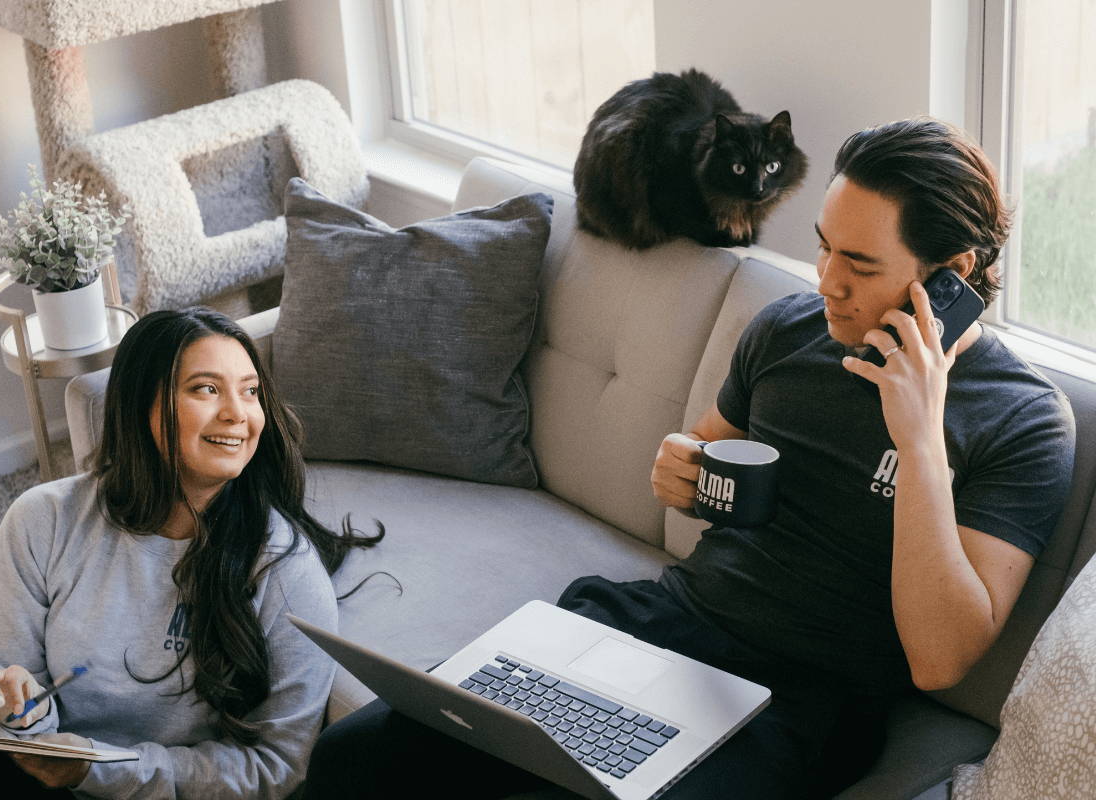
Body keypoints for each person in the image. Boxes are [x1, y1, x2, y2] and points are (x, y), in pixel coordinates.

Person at [297, 117, 1076, 799]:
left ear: (955, 275)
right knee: (358, 759)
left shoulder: (1023, 420)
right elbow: (699, 455)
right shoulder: (789, 330)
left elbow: (941, 660)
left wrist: (918, 435)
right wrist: (683, 471)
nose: (829, 284)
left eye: (862, 266)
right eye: (825, 250)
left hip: (801, 702)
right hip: (667, 620)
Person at [0, 308, 384, 800]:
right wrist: (19, 705)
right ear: (140, 405)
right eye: (206, 389)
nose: (239, 412)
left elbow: (277, 767)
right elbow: (13, 725)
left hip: (173, 794)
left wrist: (98, 771)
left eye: (250, 390)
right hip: (52, 778)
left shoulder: (286, 571)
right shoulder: (41, 520)